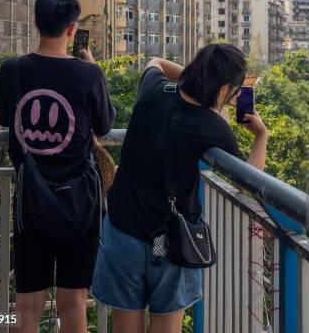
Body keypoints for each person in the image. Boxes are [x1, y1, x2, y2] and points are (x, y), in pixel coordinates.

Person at [91, 44, 268, 333]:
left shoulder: (153, 90)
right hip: (172, 239)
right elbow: (247, 185)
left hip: (123, 228)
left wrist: (196, 79)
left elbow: (155, 62)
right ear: (224, 90)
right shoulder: (213, 126)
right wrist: (261, 135)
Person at [0, 0, 115, 333]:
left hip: (31, 202)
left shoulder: (12, 70)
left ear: (35, 22)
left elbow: (11, 121)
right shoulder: (88, 75)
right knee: (73, 301)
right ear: (71, 28)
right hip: (80, 201)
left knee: (28, 302)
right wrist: (94, 70)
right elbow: (105, 126)